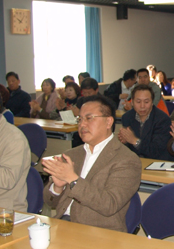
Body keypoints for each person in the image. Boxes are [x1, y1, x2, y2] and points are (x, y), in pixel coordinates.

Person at [42, 95, 141, 231]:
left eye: (89, 118)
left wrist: (73, 180)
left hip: (98, 232)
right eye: (80, 119)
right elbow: (49, 201)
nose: (82, 125)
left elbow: (109, 204)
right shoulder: (71, 154)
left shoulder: (126, 159)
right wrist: (57, 187)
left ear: (108, 122)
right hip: (62, 226)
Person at [119, 84, 173, 160]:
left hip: (158, 162)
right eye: (138, 102)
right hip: (135, 161)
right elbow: (129, 150)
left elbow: (156, 150)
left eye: (146, 102)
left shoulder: (163, 119)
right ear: (132, 102)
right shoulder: (127, 117)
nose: (142, 106)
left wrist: (135, 141)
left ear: (152, 102)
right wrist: (125, 142)